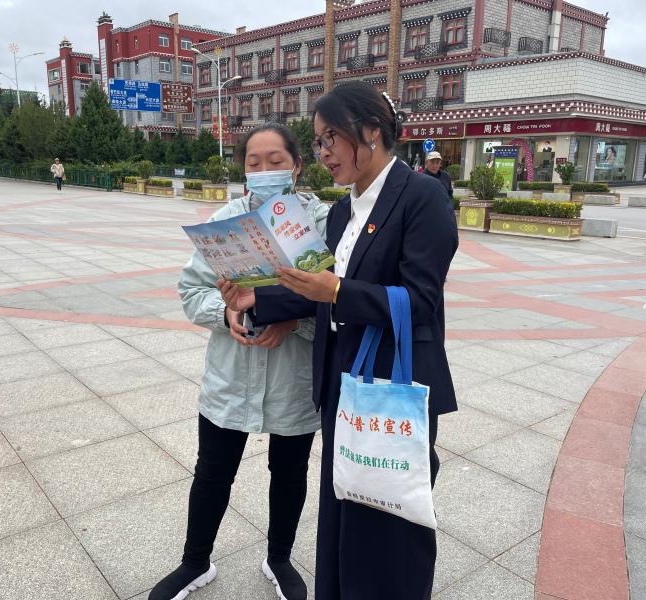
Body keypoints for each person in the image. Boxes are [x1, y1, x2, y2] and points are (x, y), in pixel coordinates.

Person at [221, 82, 458, 599]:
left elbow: (421, 300)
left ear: (370, 131)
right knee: (345, 503)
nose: (323, 152)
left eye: (331, 137)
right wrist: (255, 300)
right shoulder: (342, 211)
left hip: (392, 382)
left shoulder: (422, 197)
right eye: (319, 141)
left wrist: (339, 291)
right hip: (341, 381)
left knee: (390, 516)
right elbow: (317, 290)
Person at [148, 123, 329, 600]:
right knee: (212, 471)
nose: (264, 170)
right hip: (232, 373)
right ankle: (194, 563)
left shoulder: (320, 224)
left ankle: (279, 559)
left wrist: (292, 322)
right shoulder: (225, 223)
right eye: (254, 162)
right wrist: (224, 311)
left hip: (293, 377)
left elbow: (334, 302)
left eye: (276, 161)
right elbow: (192, 291)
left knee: (289, 473)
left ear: (297, 166)